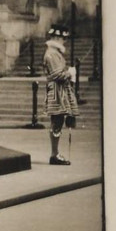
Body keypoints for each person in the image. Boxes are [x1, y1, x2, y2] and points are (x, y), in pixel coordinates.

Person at [42, 24, 78, 165]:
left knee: (59, 120)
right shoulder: (51, 53)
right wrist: (70, 72)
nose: (64, 41)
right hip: (56, 90)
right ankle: (54, 154)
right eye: (63, 38)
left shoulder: (55, 53)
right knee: (57, 120)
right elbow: (57, 74)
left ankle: (55, 153)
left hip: (60, 89)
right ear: (56, 38)